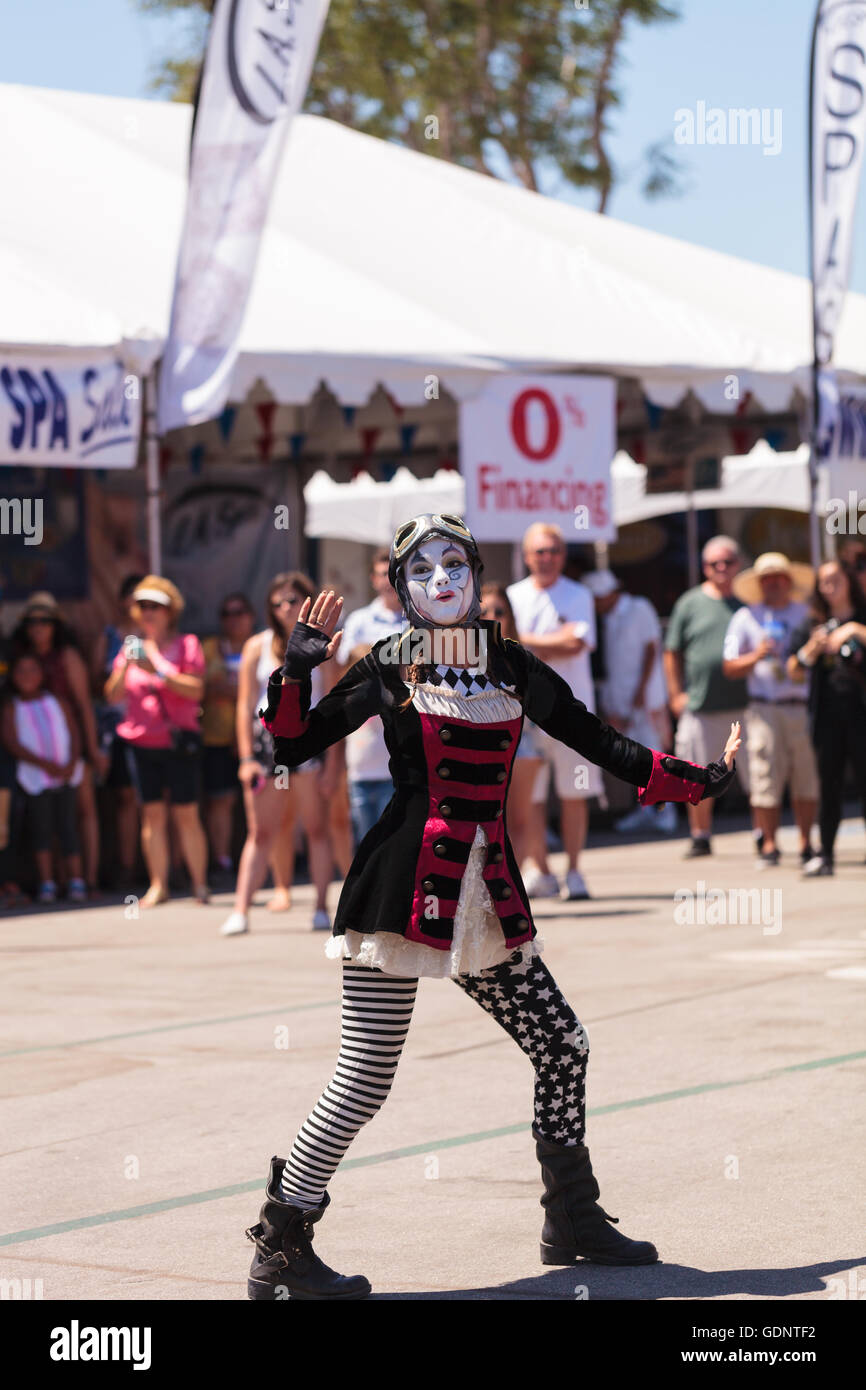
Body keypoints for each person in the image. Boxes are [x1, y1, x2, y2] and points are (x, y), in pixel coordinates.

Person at [241, 512, 741, 1301]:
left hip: (486, 902)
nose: (440, 582)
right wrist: (297, 668)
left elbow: (594, 737)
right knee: (364, 1077)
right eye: (420, 571)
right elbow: (292, 745)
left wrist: (692, 781)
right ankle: (279, 1245)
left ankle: (571, 1220)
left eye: (454, 565)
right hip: (397, 896)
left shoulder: (510, 665)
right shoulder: (389, 664)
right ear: (402, 588)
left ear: (476, 575)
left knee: (563, 1047)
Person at [218, 573, 334, 937]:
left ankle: (319, 907)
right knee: (260, 831)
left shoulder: (322, 646)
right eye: (278, 602)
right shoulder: (258, 645)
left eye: (292, 600)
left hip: (309, 740)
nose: (285, 608)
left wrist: (335, 763)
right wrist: (245, 758)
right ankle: (240, 910)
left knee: (315, 828)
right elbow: (243, 706)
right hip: (266, 744)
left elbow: (333, 705)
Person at [103, 577, 208, 908]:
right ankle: (158, 885)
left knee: (186, 814)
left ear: (170, 611)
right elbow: (111, 695)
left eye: (155, 606)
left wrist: (157, 670)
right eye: (142, 606)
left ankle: (200, 885)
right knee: (151, 816)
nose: (148, 612)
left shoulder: (187, 644)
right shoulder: (131, 645)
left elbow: (195, 689)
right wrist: (126, 666)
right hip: (140, 742)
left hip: (178, 741)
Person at [507, 523, 599, 901]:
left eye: (554, 551)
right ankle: (541, 869)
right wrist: (551, 644)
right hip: (526, 713)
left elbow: (577, 643)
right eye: (539, 551)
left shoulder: (579, 594)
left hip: (572, 712)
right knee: (532, 797)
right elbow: (505, 645)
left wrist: (527, 645)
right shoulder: (513, 596)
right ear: (527, 556)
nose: (546, 559)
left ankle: (575, 870)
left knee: (575, 791)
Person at [723, 552, 818, 867]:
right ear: (760, 584)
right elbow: (729, 666)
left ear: (789, 581)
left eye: (779, 578)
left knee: (806, 774)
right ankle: (770, 843)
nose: (774, 584)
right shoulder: (746, 617)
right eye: (767, 579)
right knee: (765, 776)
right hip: (764, 707)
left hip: (801, 705)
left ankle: (806, 842)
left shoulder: (806, 614)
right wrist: (757, 655)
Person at [11, 593, 108, 893]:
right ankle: (58, 880)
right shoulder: (21, 659)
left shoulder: (67, 657)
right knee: (48, 815)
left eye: (45, 621)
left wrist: (90, 749)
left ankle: (88, 878)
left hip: (71, 744)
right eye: (32, 622)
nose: (38, 628)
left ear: (55, 625)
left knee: (82, 811)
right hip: (38, 752)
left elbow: (83, 706)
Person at [664, 536, 749, 858]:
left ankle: (761, 835)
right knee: (697, 771)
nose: (722, 568)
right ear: (704, 568)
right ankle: (701, 835)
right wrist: (675, 694)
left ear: (738, 565)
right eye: (715, 563)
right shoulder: (690, 603)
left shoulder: (746, 604)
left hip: (744, 705)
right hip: (700, 705)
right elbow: (671, 651)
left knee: (756, 775)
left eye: (728, 562)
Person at [582, 570, 676, 835]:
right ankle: (647, 810)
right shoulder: (607, 619)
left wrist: (641, 691)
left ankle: (665, 813)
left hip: (645, 699)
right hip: (624, 700)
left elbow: (651, 650)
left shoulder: (639, 608)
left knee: (654, 754)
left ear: (608, 595)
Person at [788, 559, 866, 876]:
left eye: (835, 579)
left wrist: (852, 630)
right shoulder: (813, 623)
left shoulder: (860, 618)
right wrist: (813, 648)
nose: (830, 586)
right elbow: (793, 670)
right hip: (827, 717)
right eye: (824, 581)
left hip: (861, 713)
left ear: (848, 581)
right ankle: (826, 855)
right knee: (829, 786)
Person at [1, 653, 86, 904]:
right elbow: (12, 742)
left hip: (66, 775)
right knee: (41, 829)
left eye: (32, 670)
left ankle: (76, 880)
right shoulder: (11, 706)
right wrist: (45, 765)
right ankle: (47, 883)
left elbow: (73, 731)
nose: (27, 676)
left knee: (68, 827)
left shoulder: (56, 700)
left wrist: (71, 761)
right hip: (35, 778)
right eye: (21, 671)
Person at [481, 583, 544, 870]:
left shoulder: (521, 657)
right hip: (477, 746)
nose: (492, 616)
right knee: (483, 824)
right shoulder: (457, 658)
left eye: (499, 611)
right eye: (484, 611)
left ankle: (508, 891)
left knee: (518, 821)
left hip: (522, 744)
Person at [93, 574, 144, 891]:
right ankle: (127, 868)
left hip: (157, 725)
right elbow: (100, 686)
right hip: (120, 727)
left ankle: (167, 869)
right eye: (135, 597)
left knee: (162, 801)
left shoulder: (161, 637)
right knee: (126, 798)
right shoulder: (109, 635)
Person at [201, 593, 256, 878]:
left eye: (240, 611)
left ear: (252, 615)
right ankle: (222, 861)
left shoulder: (261, 645)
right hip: (218, 736)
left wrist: (233, 689)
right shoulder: (209, 648)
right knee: (221, 800)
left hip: (257, 735)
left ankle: (268, 859)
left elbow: (265, 689)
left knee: (260, 799)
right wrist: (245, 692)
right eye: (227, 613)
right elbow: (202, 688)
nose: (234, 618)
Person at [342, 643, 393, 848]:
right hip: (359, 780)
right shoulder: (346, 702)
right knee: (364, 839)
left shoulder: (387, 697)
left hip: (387, 778)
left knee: (387, 837)